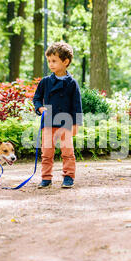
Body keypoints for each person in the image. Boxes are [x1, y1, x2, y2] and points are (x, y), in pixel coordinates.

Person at [33, 41, 83, 189]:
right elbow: (36, 98)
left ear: (65, 62)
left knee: (68, 152)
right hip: (48, 123)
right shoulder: (45, 82)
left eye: (54, 61)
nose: (51, 64)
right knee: (47, 153)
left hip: (66, 123)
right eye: (49, 61)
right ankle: (46, 178)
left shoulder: (72, 83)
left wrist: (76, 124)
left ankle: (68, 177)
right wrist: (40, 108)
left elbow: (77, 105)